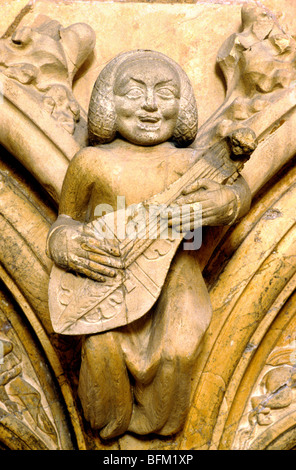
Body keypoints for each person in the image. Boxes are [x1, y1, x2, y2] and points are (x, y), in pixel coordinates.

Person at [47, 50, 252, 439]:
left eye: (165, 93)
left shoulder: (188, 162)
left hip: (176, 277)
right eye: (134, 92)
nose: (151, 105)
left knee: (177, 352)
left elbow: (236, 189)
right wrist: (66, 244)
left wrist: (227, 202)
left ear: (184, 105)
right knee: (99, 349)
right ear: (108, 101)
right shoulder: (92, 162)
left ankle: (159, 426)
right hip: (106, 279)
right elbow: (66, 219)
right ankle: (110, 422)